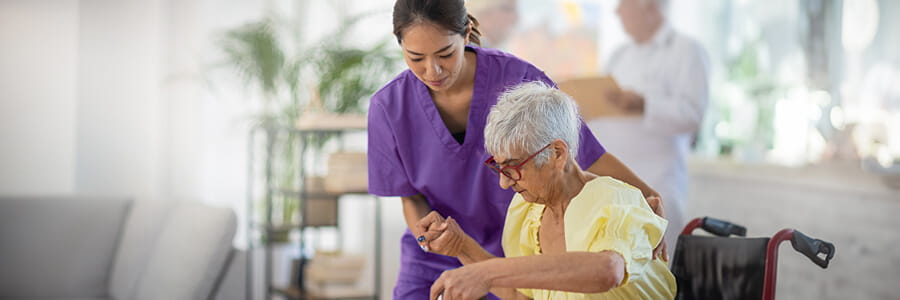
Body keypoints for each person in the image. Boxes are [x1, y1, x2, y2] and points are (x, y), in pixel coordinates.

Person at [368, 0, 664, 298]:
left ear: (467, 32)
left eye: (445, 54)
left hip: (512, 253)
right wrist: (427, 236)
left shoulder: (519, 81)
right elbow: (410, 197)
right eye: (416, 57)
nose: (432, 70)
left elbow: (585, 154)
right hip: (436, 252)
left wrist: (647, 198)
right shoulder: (389, 107)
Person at [425, 81, 676, 300]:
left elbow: (607, 270)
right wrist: (461, 246)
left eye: (514, 167)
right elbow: (520, 294)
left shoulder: (617, 201)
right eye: (498, 167)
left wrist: (486, 272)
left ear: (557, 153)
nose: (504, 183)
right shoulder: (526, 210)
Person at [589, 0, 710, 250]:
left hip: (658, 180)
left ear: (649, 6)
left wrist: (644, 104)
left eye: (624, 3)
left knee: (657, 261)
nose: (617, 11)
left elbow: (693, 115)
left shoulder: (687, 51)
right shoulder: (619, 56)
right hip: (612, 181)